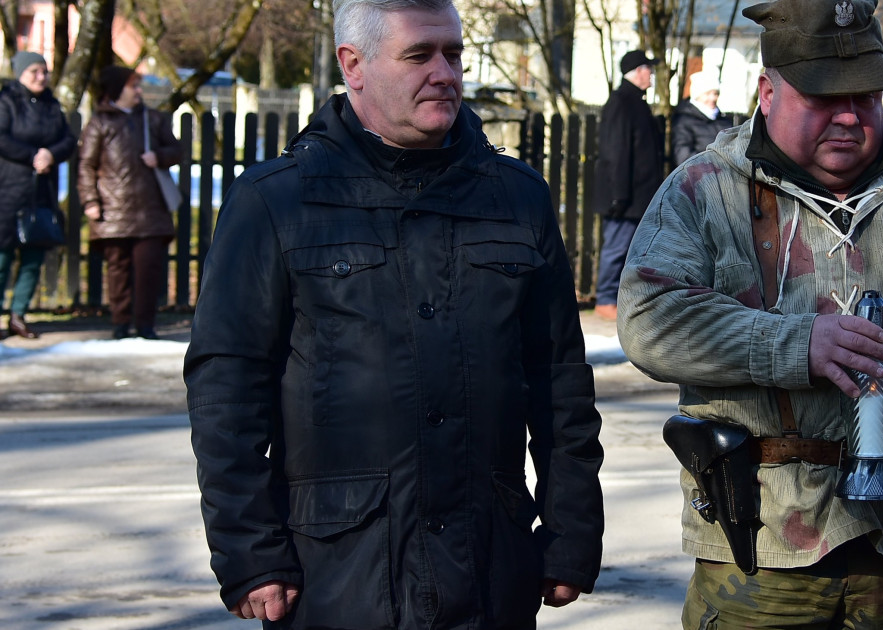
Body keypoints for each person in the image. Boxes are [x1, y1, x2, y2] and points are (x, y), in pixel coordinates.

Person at [616, 0, 883, 626]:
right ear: (768, 92)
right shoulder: (707, 191)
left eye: (867, 96)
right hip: (760, 555)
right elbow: (648, 317)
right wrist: (795, 346)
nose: (849, 115)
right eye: (823, 96)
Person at [183, 0, 605, 627]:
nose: (444, 72)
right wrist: (250, 553)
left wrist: (570, 531)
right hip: (337, 577)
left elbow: (559, 380)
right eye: (419, 55)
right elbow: (227, 390)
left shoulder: (516, 197)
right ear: (353, 65)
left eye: (453, 54)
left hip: (489, 568)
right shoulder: (278, 200)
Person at [77, 65, 179, 340]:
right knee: (118, 270)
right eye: (133, 86)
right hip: (112, 209)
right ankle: (120, 324)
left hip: (150, 210)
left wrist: (159, 156)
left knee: (148, 270)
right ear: (116, 89)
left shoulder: (153, 119)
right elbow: (86, 164)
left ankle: (146, 325)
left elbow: (177, 150)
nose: (138, 91)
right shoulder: (100, 122)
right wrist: (90, 201)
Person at [0, 52, 75, 340]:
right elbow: (2, 138)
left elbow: (67, 140)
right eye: (34, 71)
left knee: (33, 256)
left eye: (44, 71)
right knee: (3, 257)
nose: (41, 77)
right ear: (20, 72)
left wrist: (50, 154)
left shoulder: (51, 105)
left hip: (41, 193)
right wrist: (32, 155)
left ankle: (18, 315)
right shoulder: (7, 101)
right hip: (8, 189)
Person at [592, 49, 665, 321]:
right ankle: (606, 299)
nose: (652, 75)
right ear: (638, 71)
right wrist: (618, 195)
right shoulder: (622, 102)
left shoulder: (633, 101)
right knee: (617, 247)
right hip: (625, 196)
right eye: (649, 69)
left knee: (634, 249)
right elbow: (617, 151)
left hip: (636, 195)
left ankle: (620, 299)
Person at [672, 70, 732, 165]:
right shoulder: (683, 121)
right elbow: (683, 157)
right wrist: (716, 164)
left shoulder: (724, 121)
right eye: (707, 94)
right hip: (700, 177)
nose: (713, 98)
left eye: (715, 93)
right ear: (697, 96)